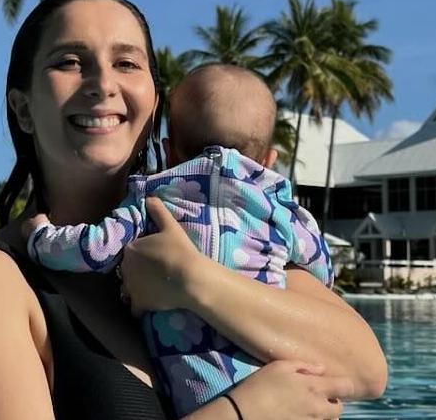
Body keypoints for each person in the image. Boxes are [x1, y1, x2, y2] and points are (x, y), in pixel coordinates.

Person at [0, 0, 386, 420]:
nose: (102, 83)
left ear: (154, 103)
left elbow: (366, 370)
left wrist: (193, 280)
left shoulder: (227, 237)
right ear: (22, 108)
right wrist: (241, 412)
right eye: (69, 61)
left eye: (126, 63)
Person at [22, 63, 332, 416]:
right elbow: (322, 270)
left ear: (169, 152)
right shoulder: (283, 213)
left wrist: (40, 237)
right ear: (269, 159)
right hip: (274, 379)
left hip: (196, 391)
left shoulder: (155, 200)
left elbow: (94, 249)